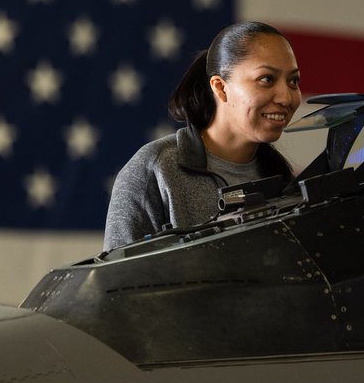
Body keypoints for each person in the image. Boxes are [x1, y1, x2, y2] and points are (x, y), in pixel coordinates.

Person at [103, 21, 301, 251]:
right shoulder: (154, 169)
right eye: (267, 79)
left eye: (293, 81)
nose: (286, 98)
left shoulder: (282, 177)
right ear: (220, 87)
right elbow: (116, 280)